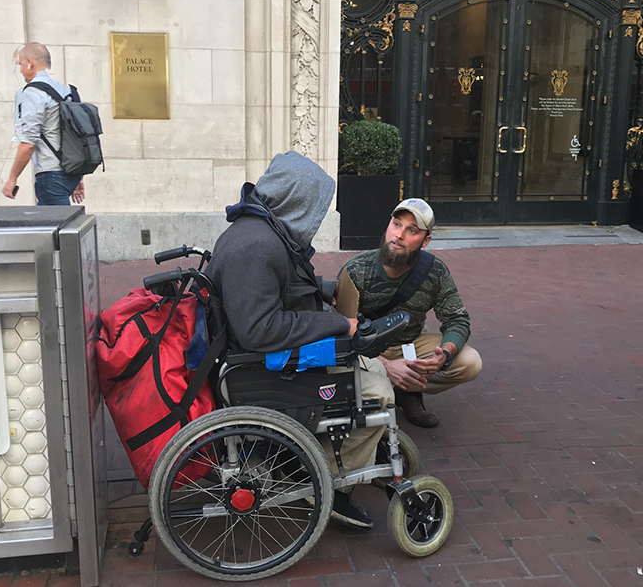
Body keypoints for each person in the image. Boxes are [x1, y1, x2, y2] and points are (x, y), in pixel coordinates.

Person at [205, 151, 392, 530]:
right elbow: (260, 330)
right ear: (297, 203)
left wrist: (324, 290)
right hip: (258, 371)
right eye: (316, 209)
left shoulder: (259, 229)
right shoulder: (257, 247)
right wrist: (338, 324)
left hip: (253, 358)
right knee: (378, 392)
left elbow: (274, 289)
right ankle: (321, 480)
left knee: (369, 366)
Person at [336, 198, 482, 428]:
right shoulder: (356, 269)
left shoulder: (435, 271)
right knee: (338, 363)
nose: (399, 235)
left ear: (426, 241)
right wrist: (384, 364)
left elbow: (457, 319)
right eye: (396, 224)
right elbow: (340, 328)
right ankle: (383, 388)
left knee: (470, 362)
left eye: (412, 230)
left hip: (410, 346)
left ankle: (406, 390)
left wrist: (443, 355)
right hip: (365, 351)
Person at [2, 42, 85, 206]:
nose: (20, 69)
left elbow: (28, 143)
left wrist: (12, 179)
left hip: (51, 175)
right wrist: (78, 178)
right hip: (71, 172)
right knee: (50, 227)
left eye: (20, 64)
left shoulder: (32, 93)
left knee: (54, 229)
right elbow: (77, 136)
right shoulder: (68, 92)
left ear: (29, 62)